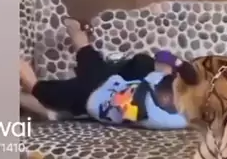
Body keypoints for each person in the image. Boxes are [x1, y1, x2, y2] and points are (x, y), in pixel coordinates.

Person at [20, 18, 188, 129]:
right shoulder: (167, 90)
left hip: (94, 95)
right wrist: (177, 66)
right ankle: (82, 41)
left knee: (45, 90)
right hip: (117, 81)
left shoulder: (157, 115)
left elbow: (162, 66)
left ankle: (25, 73)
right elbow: (162, 59)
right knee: (141, 63)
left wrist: (173, 66)